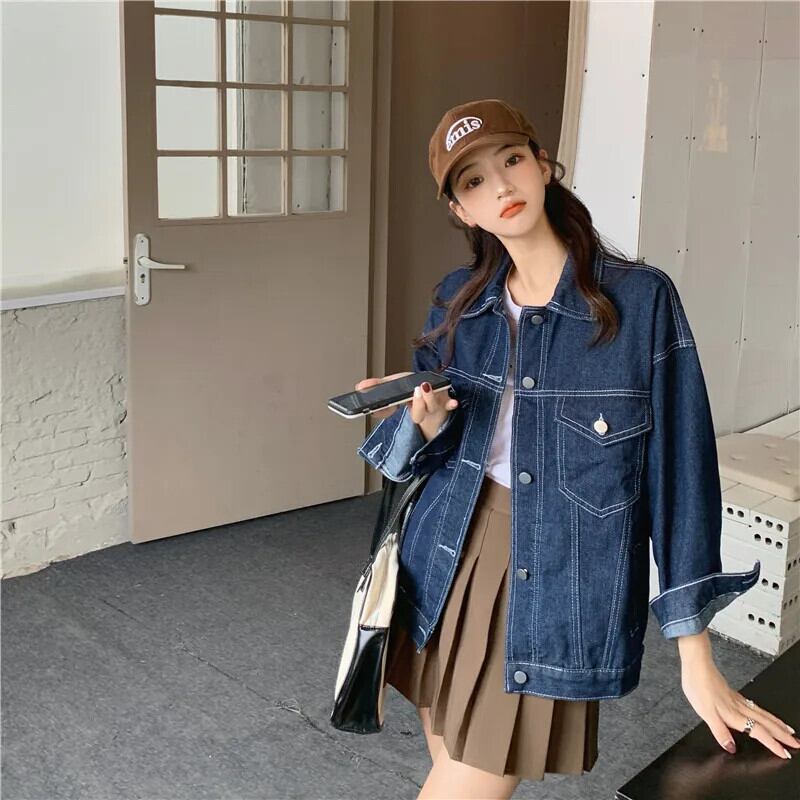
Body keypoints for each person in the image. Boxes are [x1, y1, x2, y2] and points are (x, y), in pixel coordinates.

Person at [354, 99, 799, 799]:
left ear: (543, 165)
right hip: (441, 555)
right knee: (448, 750)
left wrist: (695, 654)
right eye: (474, 181)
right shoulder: (459, 301)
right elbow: (416, 457)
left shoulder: (638, 302)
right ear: (461, 211)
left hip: (552, 578)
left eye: (511, 160)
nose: (501, 186)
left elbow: (680, 473)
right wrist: (421, 423)